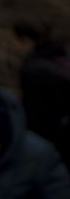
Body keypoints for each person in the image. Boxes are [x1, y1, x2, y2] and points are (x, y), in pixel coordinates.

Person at [13, 19, 70, 165]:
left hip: (50, 138)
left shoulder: (34, 69)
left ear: (26, 40)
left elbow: (34, 112)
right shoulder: (61, 59)